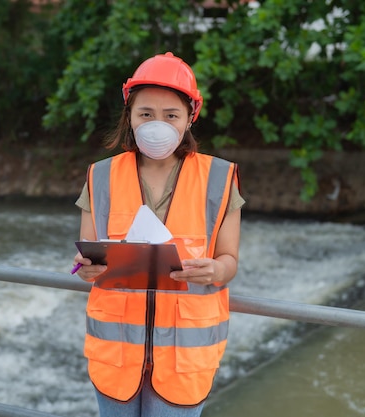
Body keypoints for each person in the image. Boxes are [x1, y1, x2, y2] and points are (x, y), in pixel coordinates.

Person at [72, 52, 245, 417]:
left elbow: (229, 261)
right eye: (146, 113)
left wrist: (215, 270)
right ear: (130, 116)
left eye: (171, 115)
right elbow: (91, 257)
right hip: (115, 358)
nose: (157, 124)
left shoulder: (219, 178)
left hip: (184, 360)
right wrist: (85, 267)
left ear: (189, 119)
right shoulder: (99, 176)